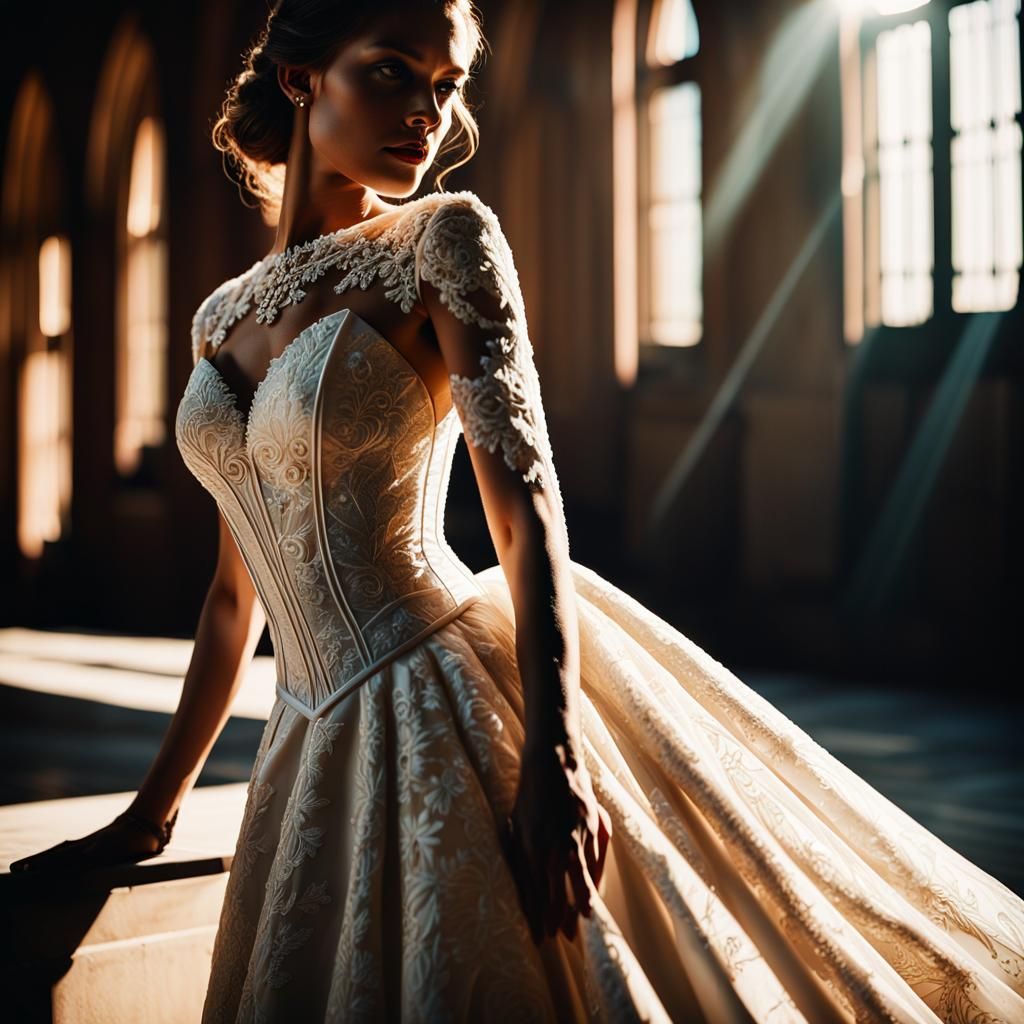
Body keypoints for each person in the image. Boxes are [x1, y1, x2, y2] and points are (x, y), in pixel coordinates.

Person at [11, 1, 1024, 1020]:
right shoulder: (218, 315)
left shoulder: (444, 239)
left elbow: (524, 505)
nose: (428, 115)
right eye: (394, 73)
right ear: (300, 78)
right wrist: (150, 814)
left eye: (444, 87)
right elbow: (236, 599)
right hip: (302, 740)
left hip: (436, 691)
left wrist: (555, 753)